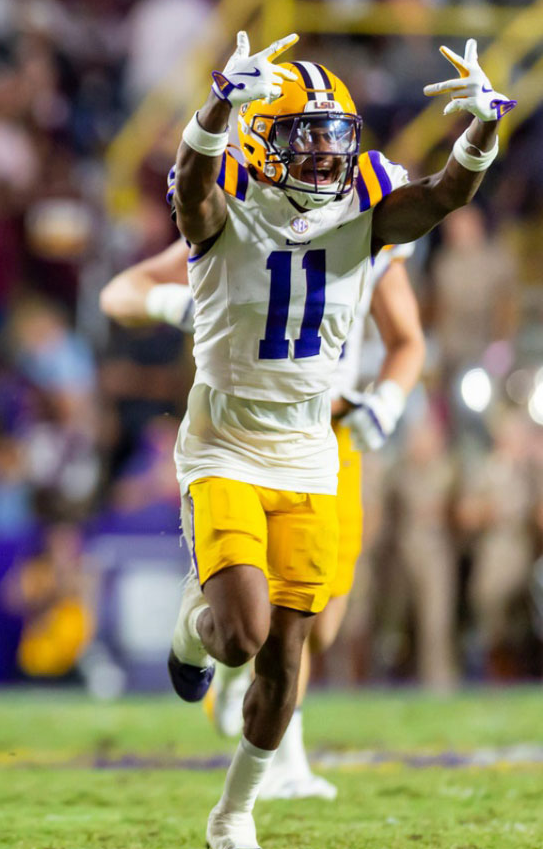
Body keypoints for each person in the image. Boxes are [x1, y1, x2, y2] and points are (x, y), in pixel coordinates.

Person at [164, 30, 509, 849]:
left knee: (290, 647)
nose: (322, 157)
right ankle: (192, 631)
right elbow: (190, 188)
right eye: (301, 138)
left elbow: (444, 196)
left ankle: (234, 813)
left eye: (332, 139)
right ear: (256, 139)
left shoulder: (365, 202)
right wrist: (215, 107)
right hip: (223, 441)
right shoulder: (227, 199)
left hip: (313, 449)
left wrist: (484, 131)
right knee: (240, 632)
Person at [101, 231, 425, 799]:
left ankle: (231, 674)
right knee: (268, 618)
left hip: (327, 436)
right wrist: (173, 303)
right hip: (242, 433)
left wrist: (389, 402)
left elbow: (407, 341)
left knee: (319, 623)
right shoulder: (244, 220)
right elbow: (120, 292)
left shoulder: (364, 220)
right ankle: (282, 759)